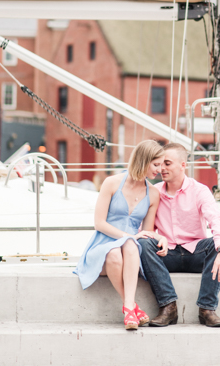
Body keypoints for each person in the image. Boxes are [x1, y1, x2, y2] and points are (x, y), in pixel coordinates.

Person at [74, 139, 167, 330]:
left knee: (130, 245)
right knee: (117, 252)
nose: (159, 170)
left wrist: (161, 237)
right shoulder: (111, 183)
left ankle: (128, 308)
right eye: (156, 164)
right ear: (143, 160)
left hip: (130, 249)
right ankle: (130, 306)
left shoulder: (153, 194)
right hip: (104, 243)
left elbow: (147, 231)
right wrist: (127, 235)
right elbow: (99, 223)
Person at [138, 142, 220, 327]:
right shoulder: (154, 192)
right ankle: (168, 307)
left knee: (216, 243)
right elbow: (146, 230)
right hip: (166, 254)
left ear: (183, 165)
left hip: (195, 253)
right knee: (144, 243)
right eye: (160, 163)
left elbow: (216, 220)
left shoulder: (199, 191)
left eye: (168, 163)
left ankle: (207, 310)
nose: (162, 168)